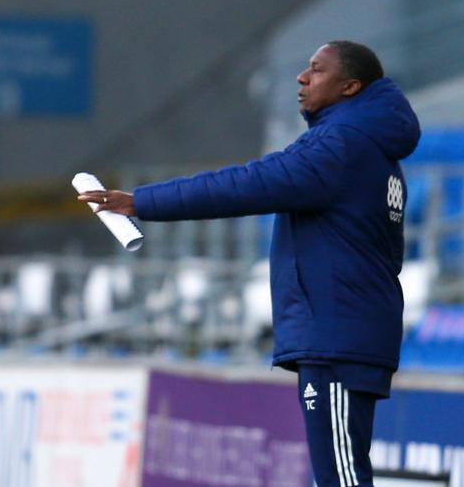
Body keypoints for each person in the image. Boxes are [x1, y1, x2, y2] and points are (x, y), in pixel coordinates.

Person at [80, 40, 420, 487]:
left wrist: (142, 201)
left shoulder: (341, 145)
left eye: (317, 71)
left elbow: (247, 184)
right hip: (346, 332)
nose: (302, 78)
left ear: (350, 87)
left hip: (336, 339)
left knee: (342, 479)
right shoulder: (369, 146)